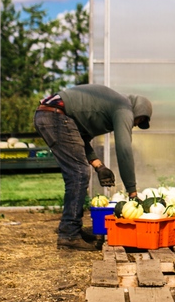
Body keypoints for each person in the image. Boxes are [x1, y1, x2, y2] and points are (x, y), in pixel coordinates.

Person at [33, 84, 153, 251]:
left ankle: (72, 229)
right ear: (138, 111)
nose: (134, 125)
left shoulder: (109, 105)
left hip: (51, 113)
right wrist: (132, 192)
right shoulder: (124, 107)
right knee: (78, 173)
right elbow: (124, 149)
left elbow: (78, 138)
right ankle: (69, 234)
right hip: (54, 114)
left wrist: (99, 166)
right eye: (138, 121)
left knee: (79, 172)